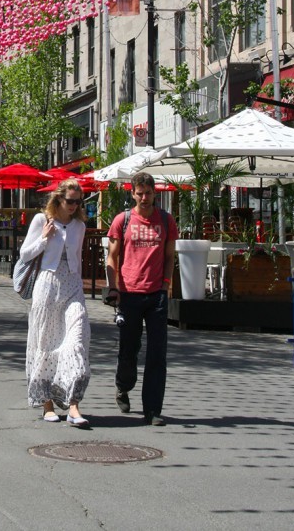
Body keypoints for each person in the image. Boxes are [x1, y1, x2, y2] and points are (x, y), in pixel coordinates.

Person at [106, 171, 178, 427]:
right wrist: (113, 288)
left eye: (148, 193)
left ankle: (153, 409)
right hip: (129, 293)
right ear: (133, 193)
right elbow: (112, 258)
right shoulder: (122, 220)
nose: (144, 198)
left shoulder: (166, 221)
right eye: (140, 193)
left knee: (158, 353)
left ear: (154, 193)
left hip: (156, 293)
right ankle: (123, 387)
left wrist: (166, 285)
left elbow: (170, 257)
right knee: (129, 350)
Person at [18, 179, 91, 428]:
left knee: (77, 340)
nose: (73, 205)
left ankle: (73, 405)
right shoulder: (42, 221)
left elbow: (78, 259)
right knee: (46, 343)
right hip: (47, 286)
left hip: (72, 285)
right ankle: (47, 403)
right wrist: (44, 239)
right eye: (69, 201)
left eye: (78, 202)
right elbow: (25, 254)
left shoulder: (80, 226)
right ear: (58, 199)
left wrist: (80, 286)